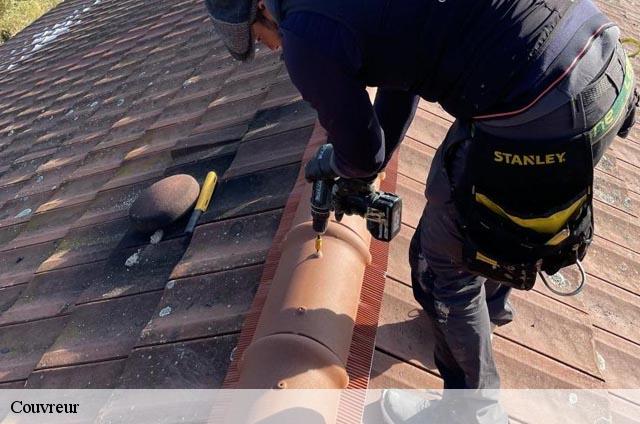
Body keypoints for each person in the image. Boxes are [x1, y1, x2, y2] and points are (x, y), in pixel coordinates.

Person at [205, 0, 639, 422]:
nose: (270, 48)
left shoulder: (303, 34)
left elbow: (360, 150)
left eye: (257, 38)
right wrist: (366, 167)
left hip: (544, 101)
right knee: (488, 216)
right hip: (603, 62)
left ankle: (473, 413)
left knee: (440, 267)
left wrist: (339, 164)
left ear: (259, 7)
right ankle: (487, 308)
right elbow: (401, 78)